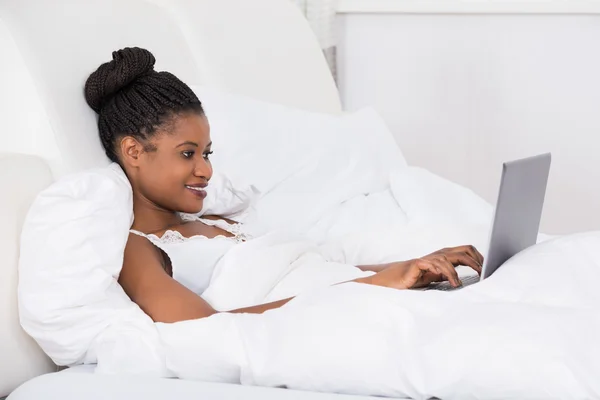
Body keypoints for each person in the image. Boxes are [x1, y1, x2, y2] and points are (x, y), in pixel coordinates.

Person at [84, 47, 484, 324]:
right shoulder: (137, 247)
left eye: (207, 154)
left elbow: (316, 273)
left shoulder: (220, 220)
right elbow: (203, 328)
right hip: (344, 320)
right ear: (134, 151)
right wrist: (372, 287)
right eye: (188, 154)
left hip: (364, 301)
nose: (205, 170)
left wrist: (411, 269)